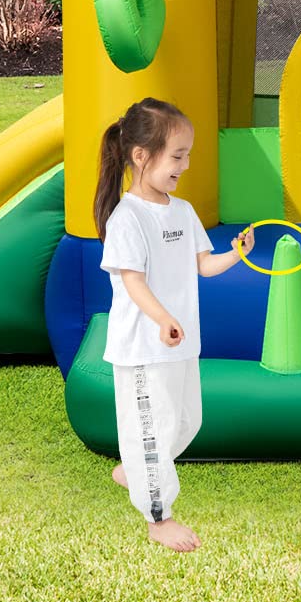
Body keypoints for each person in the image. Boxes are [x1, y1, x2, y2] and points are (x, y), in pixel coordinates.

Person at [94, 97, 253, 553]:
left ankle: (135, 472)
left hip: (181, 343)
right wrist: (164, 319)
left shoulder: (181, 212)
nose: (185, 165)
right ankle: (158, 518)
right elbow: (133, 282)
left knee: (186, 421)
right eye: (177, 156)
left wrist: (237, 253)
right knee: (153, 429)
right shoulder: (128, 218)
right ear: (141, 156)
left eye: (188, 155)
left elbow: (203, 265)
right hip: (144, 346)